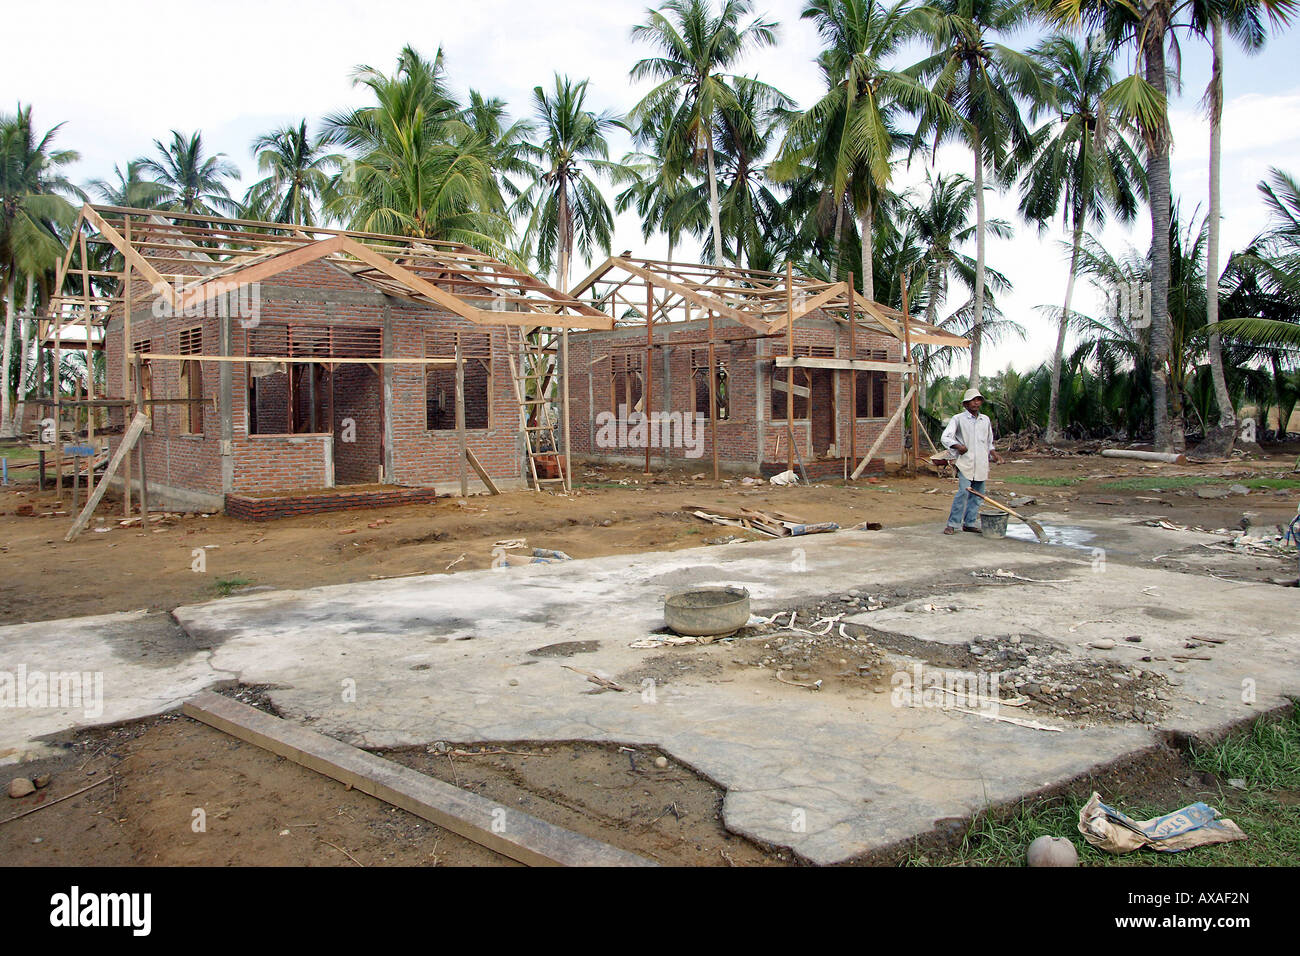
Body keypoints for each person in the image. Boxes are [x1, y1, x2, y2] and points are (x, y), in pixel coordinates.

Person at [940, 387, 1002, 535]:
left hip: (981, 463)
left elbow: (989, 442)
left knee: (978, 495)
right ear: (966, 404)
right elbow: (945, 437)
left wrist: (994, 454)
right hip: (965, 462)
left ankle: (969, 523)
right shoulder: (958, 419)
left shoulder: (985, 420)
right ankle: (952, 523)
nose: (976, 403)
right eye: (972, 400)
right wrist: (958, 446)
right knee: (963, 492)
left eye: (978, 400)